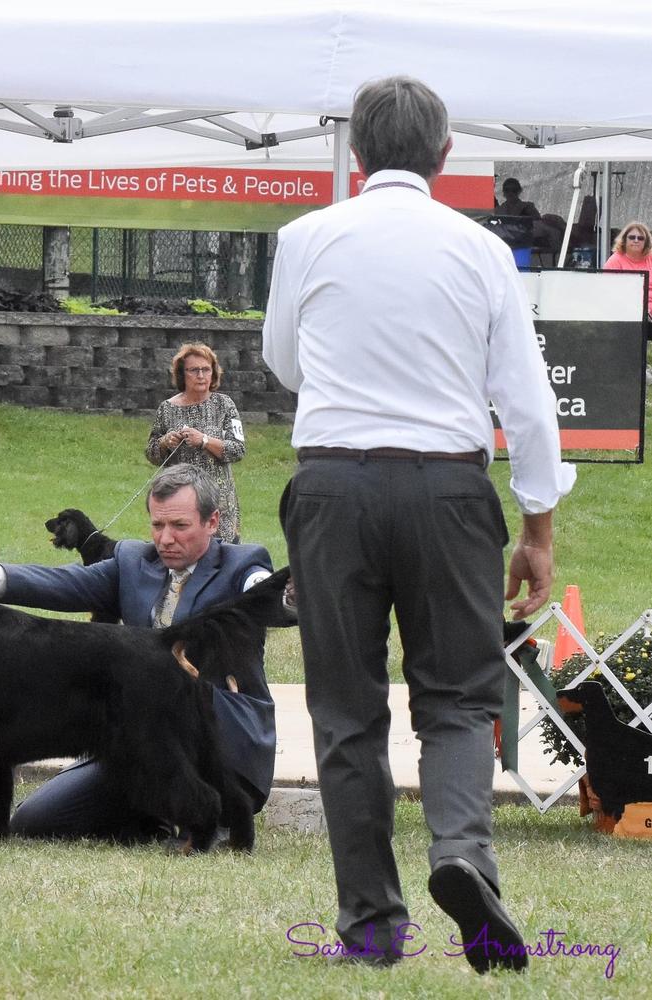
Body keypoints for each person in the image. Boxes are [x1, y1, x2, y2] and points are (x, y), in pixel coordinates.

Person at [262, 76, 575, 972]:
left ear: (355, 154)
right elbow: (525, 400)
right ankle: (461, 855)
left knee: (345, 712)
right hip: (446, 490)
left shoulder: (304, 237)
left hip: (332, 487)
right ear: (445, 157)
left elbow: (285, 362)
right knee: (459, 696)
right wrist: (537, 530)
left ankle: (370, 926)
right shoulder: (479, 251)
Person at [0, 463, 277, 841]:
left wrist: (289, 596)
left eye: (179, 526)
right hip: (140, 739)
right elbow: (67, 582)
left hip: (218, 736)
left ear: (212, 522)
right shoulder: (132, 561)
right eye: (157, 525)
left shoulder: (243, 565)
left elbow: (268, 596)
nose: (165, 539)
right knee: (34, 821)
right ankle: (152, 816)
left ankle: (206, 816)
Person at [145, 342, 245, 542]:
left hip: (219, 500)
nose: (201, 375)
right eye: (194, 370)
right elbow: (152, 453)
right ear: (182, 374)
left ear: (213, 373)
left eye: (206, 369)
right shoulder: (167, 409)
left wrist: (204, 440)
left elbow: (238, 449)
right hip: (178, 499)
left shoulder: (224, 405)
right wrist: (166, 442)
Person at [603, 221, 652, 316]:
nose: (636, 240)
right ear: (624, 240)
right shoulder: (615, 260)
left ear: (646, 242)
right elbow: (608, 292)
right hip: (627, 312)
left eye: (641, 238)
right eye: (632, 237)